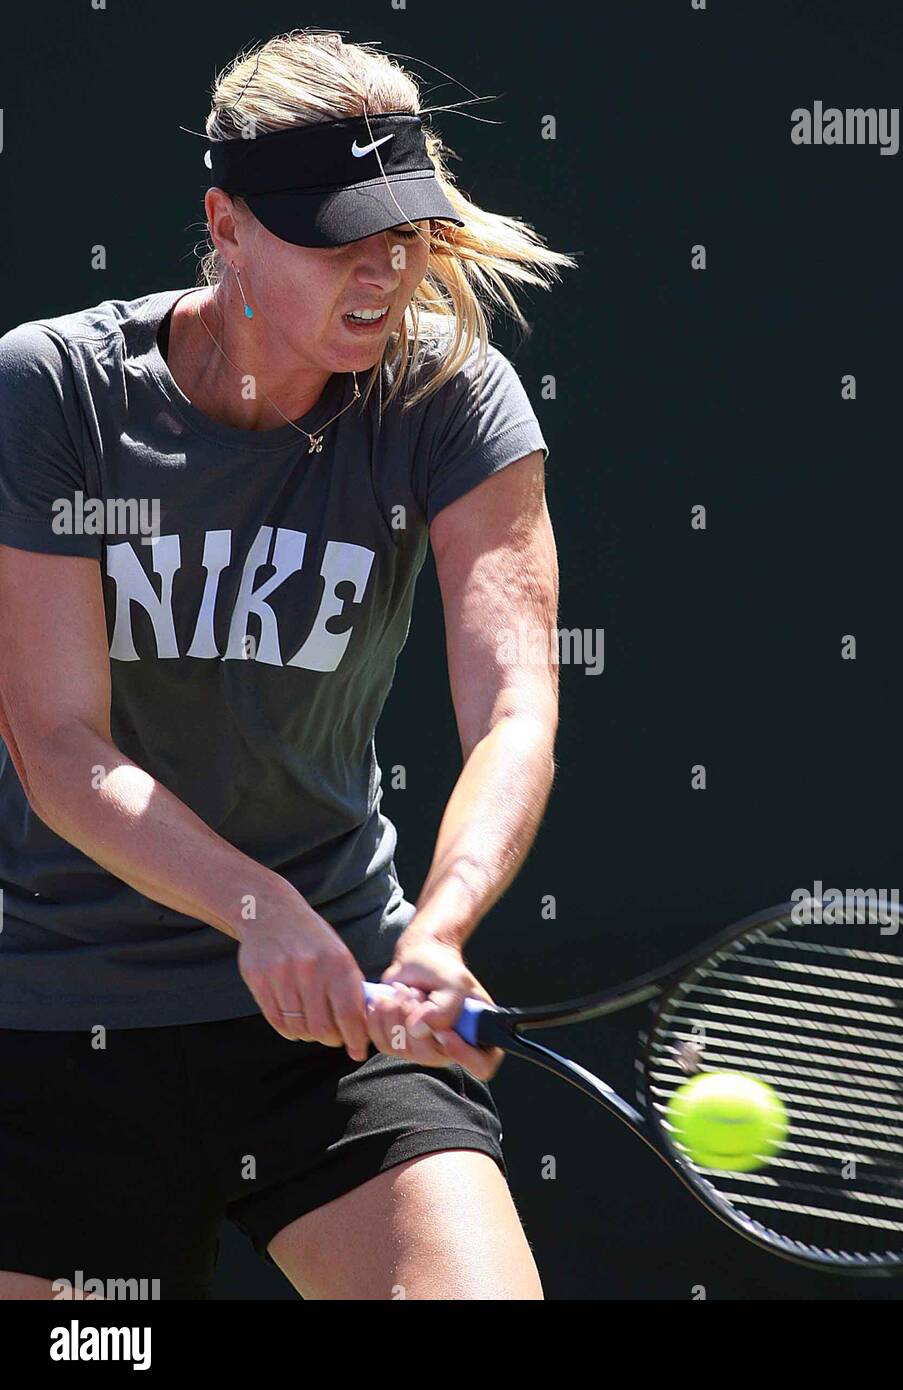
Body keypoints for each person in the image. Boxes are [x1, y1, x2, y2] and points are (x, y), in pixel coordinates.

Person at [0, 29, 574, 1300]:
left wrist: (441, 925)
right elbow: (57, 747)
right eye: (336, 237)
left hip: (340, 1004)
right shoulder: (54, 391)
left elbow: (515, 704)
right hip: (60, 1019)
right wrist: (256, 909)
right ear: (227, 223)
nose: (383, 274)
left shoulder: (452, 401)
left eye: (406, 233)